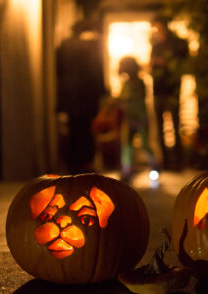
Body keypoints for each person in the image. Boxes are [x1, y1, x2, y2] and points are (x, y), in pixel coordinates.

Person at [56, 19, 106, 174]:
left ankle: (73, 163)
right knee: (87, 130)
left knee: (74, 129)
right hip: (87, 96)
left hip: (70, 96)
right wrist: (102, 92)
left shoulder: (64, 46)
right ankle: (86, 162)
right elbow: (96, 71)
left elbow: (59, 71)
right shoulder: (90, 46)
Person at [150, 16, 189, 170]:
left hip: (171, 90)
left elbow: (181, 63)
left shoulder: (176, 44)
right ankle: (165, 162)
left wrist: (162, 63)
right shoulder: (156, 45)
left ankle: (178, 162)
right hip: (158, 90)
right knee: (160, 129)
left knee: (175, 126)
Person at [116, 56, 158, 183]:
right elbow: (122, 98)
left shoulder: (139, 83)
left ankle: (155, 167)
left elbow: (131, 96)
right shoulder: (127, 83)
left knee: (145, 144)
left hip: (140, 118)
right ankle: (126, 171)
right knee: (127, 146)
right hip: (130, 119)